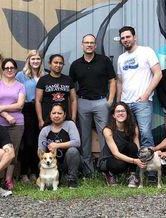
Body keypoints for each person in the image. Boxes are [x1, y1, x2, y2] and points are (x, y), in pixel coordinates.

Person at [69, 34, 116, 177]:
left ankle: (104, 168)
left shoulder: (104, 61)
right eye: (86, 43)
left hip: (101, 102)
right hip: (82, 102)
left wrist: (109, 101)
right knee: (84, 137)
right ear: (82, 45)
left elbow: (112, 81)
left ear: (95, 46)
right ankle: (88, 170)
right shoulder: (76, 64)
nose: (89, 45)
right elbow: (71, 87)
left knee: (105, 135)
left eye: (92, 43)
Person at [115, 26, 162, 152]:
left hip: (142, 102)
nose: (125, 40)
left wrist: (146, 94)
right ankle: (134, 166)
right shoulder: (121, 58)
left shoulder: (146, 51)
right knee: (129, 134)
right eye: (123, 38)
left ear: (134, 37)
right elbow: (119, 82)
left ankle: (150, 168)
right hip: (125, 103)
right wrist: (119, 103)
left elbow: (158, 74)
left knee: (145, 133)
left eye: (128, 36)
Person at [0, 58, 25, 190]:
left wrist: (2, 108)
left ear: (16, 70)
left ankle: (8, 179)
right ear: (3, 70)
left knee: (13, 151)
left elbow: (20, 105)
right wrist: (6, 115)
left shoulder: (20, 86)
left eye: (12, 68)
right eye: (6, 68)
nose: (9, 70)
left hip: (16, 123)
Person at [98, 102, 144, 187]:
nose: (120, 113)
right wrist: (134, 161)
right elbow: (116, 154)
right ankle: (109, 174)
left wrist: (141, 157)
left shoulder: (133, 127)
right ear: (113, 115)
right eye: (117, 111)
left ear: (127, 113)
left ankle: (132, 176)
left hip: (124, 156)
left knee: (132, 146)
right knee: (119, 164)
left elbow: (137, 146)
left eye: (123, 111)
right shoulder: (107, 130)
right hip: (109, 159)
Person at [16, 50, 44, 183]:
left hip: (41, 109)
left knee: (38, 143)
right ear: (28, 60)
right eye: (33, 59)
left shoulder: (44, 75)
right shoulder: (21, 76)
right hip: (27, 109)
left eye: (38, 59)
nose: (35, 61)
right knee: (28, 142)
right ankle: (23, 173)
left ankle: (34, 171)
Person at [38, 103, 82, 188]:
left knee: (73, 151)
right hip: (51, 163)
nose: (56, 116)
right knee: (40, 164)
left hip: (68, 161)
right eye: (54, 113)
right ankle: (49, 182)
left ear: (64, 115)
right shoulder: (45, 130)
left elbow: (77, 142)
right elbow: (40, 151)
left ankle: (72, 180)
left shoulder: (70, 124)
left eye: (59, 113)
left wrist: (57, 145)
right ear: (50, 115)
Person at [35, 54, 77, 127]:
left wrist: (73, 118)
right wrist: (40, 120)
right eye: (55, 62)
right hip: (47, 119)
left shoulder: (68, 79)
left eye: (60, 63)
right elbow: (38, 101)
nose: (58, 65)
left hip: (64, 118)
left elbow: (73, 100)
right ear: (50, 64)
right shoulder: (43, 80)